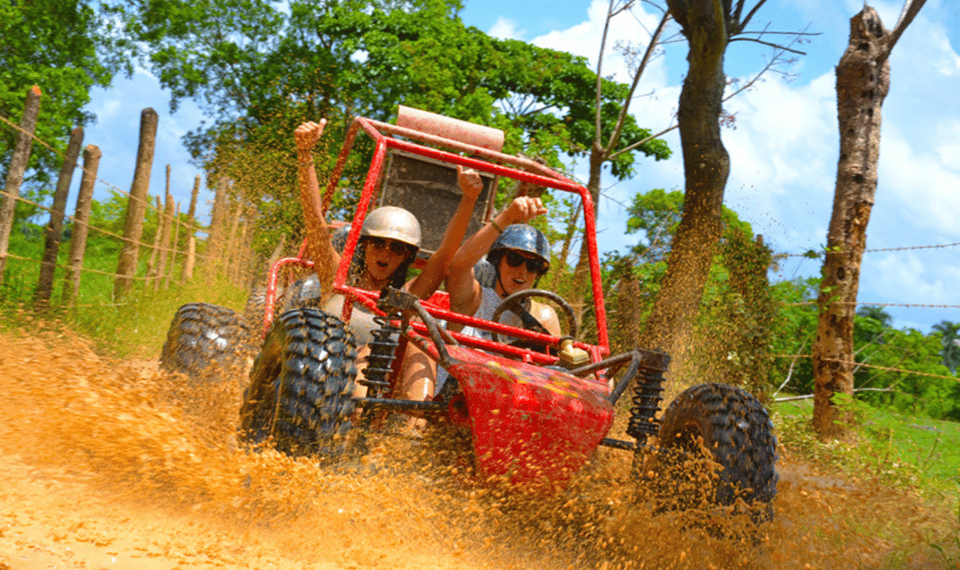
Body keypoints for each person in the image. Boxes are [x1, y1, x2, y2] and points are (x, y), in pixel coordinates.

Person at [294, 119, 484, 400]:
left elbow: (445, 255)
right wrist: (305, 155)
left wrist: (469, 199)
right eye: (378, 244)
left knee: (421, 342)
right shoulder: (337, 278)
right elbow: (316, 223)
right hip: (313, 381)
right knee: (363, 352)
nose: (385, 252)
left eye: (396, 248)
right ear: (365, 245)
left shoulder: (405, 299)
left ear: (407, 257)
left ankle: (410, 435)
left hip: (369, 391)